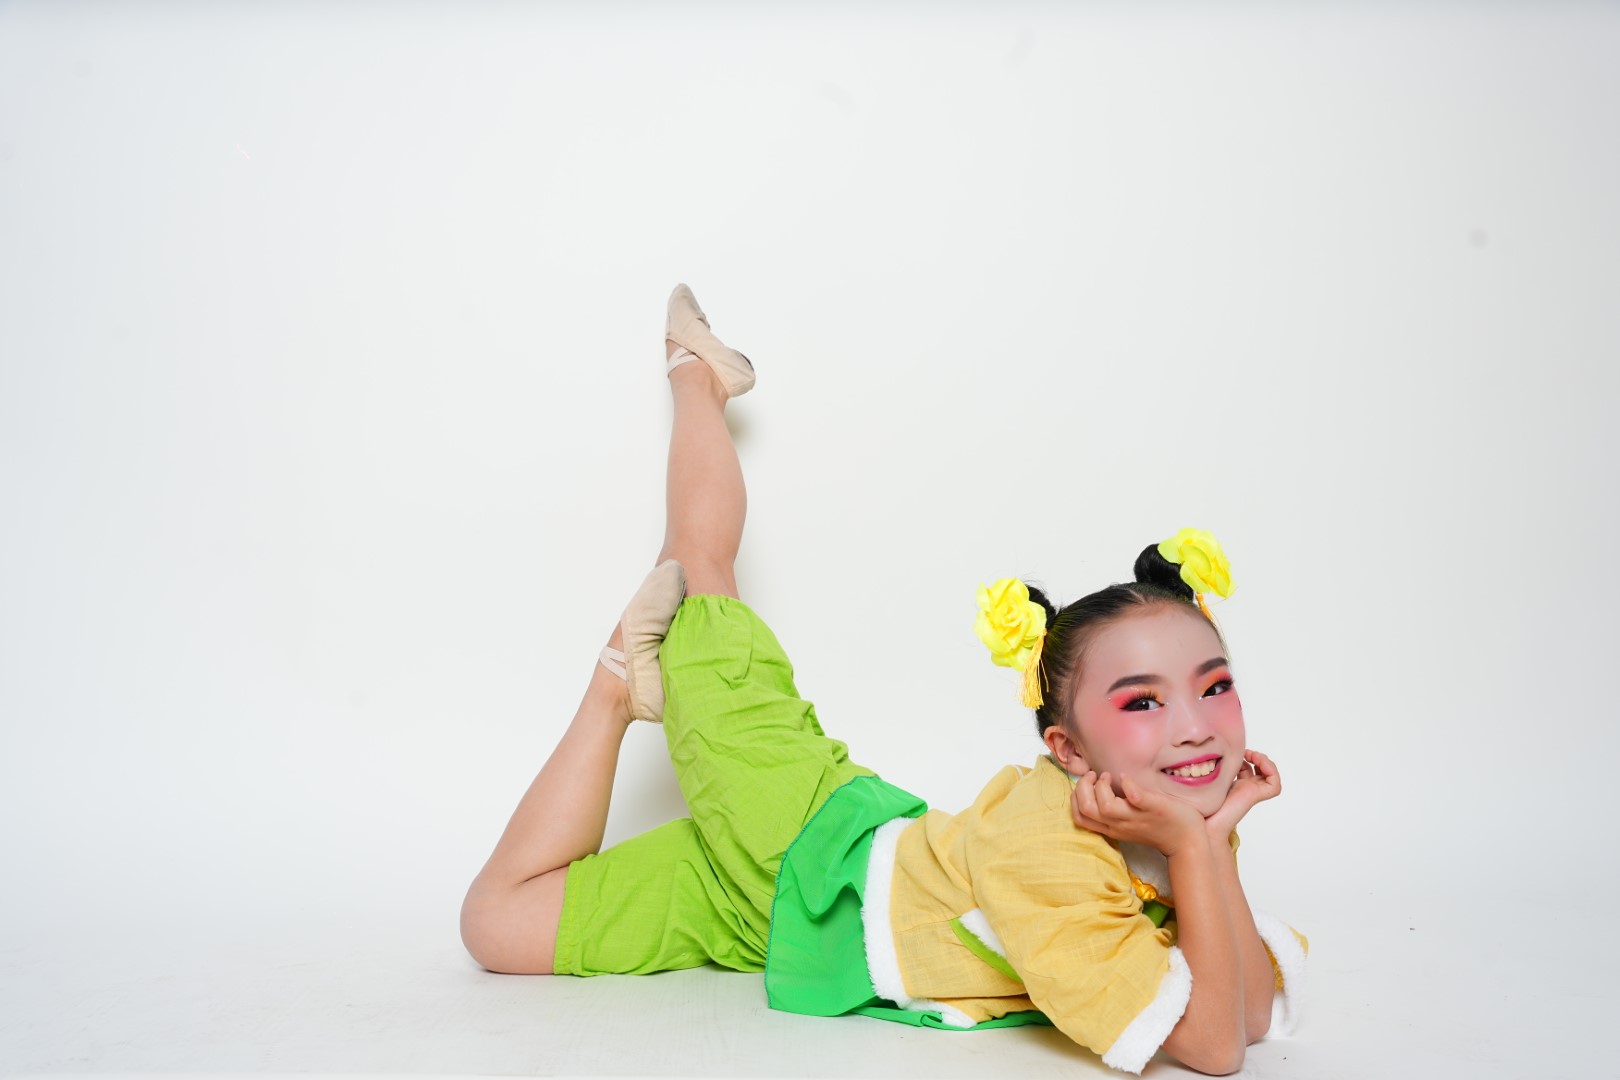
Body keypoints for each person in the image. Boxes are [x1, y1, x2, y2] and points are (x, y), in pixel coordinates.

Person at [458, 285, 1308, 1076]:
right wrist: (1199, 845)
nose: (1196, 725)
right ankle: (697, 378)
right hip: (792, 834)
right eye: (1145, 701)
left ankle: (622, 687)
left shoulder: (1169, 817)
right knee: (696, 564)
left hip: (792, 928)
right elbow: (1214, 1050)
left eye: (1214, 686)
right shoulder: (1051, 848)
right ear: (1069, 749)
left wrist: (1209, 840)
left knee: (495, 925)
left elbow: (1247, 1015)